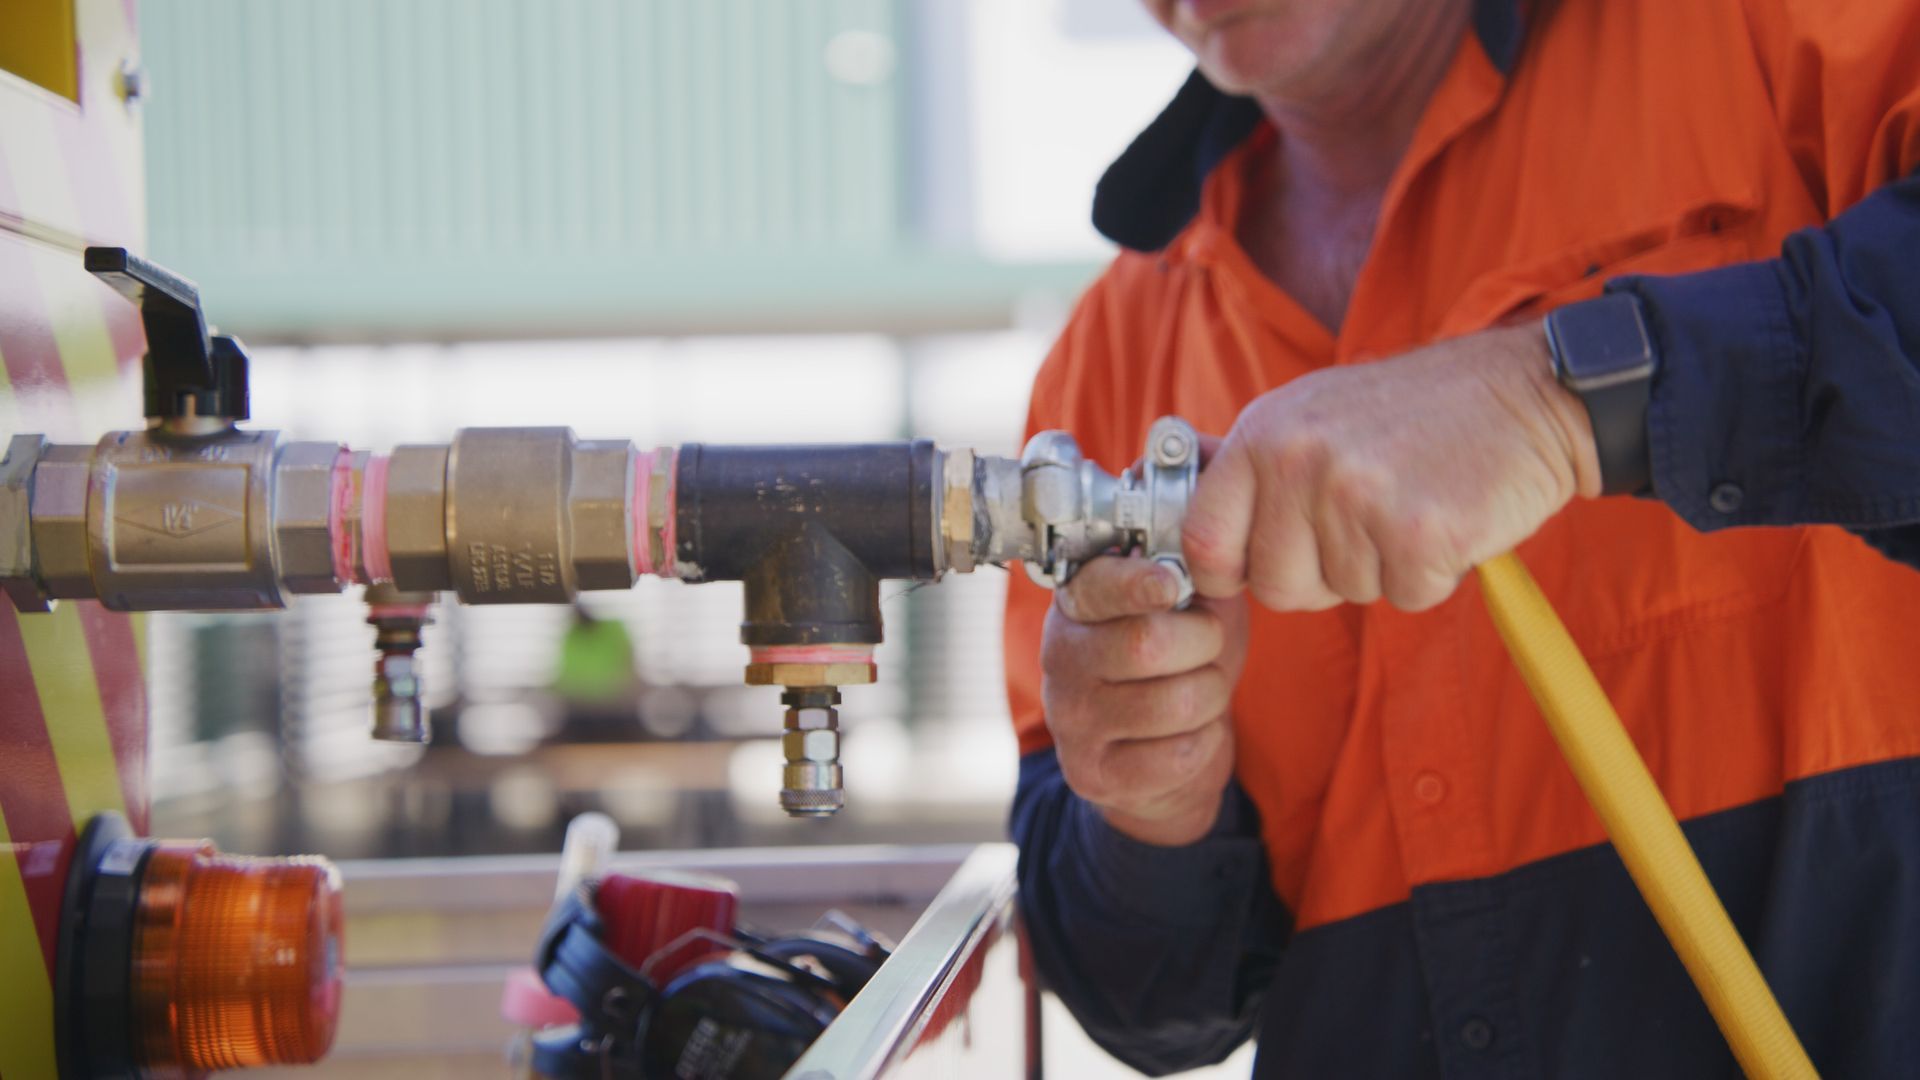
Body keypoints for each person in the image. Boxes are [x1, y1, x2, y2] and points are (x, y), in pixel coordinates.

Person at [1006, 0, 1920, 1075]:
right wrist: (1150, 807)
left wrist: (1563, 397)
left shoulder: (1774, 32)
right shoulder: (1110, 358)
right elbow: (1144, 1012)